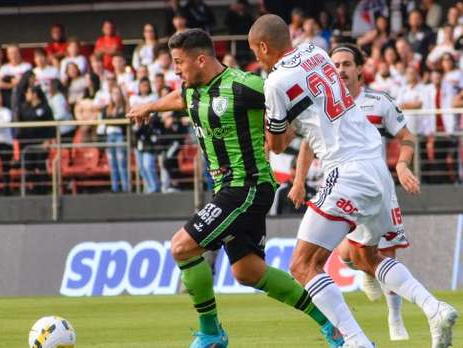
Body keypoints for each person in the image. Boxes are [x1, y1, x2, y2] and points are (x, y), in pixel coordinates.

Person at [248, 14, 457, 348]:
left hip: (345, 169)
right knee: (364, 258)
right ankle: (435, 308)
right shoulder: (316, 52)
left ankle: (357, 342)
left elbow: (276, 144)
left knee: (303, 265)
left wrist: (266, 126)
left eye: (256, 53)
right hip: (376, 167)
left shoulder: (274, 83)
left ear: (263, 46)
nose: (257, 60)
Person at [127, 28, 342, 348]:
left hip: (248, 186)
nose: (175, 69)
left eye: (179, 62)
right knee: (249, 272)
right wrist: (150, 106)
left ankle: (211, 332)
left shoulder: (245, 86)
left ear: (201, 59)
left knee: (182, 247)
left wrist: (280, 139)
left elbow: (289, 103)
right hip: (227, 189)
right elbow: (179, 97)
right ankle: (332, 325)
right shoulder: (192, 88)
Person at [327, 43, 417, 341]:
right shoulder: (326, 104)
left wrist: (402, 166)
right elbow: (305, 144)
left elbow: (406, 137)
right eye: (336, 64)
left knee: (387, 251)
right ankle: (365, 272)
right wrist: (300, 179)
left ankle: (395, 317)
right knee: (346, 255)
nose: (341, 69)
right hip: (343, 187)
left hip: (378, 189)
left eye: (346, 64)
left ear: (359, 69)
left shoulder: (379, 102)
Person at [16, 86, 55, 195]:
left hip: (41, 142)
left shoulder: (45, 108)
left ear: (35, 94)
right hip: (28, 143)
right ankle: (32, 188)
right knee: (29, 166)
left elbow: (51, 125)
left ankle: (44, 189)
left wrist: (48, 140)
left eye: (28, 92)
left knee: (40, 165)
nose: (26, 95)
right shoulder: (24, 108)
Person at [96, 85, 129, 193]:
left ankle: (125, 187)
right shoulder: (107, 108)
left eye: (117, 93)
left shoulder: (124, 108)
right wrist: (114, 118)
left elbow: (122, 120)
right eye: (114, 93)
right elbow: (105, 119)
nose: (116, 96)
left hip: (119, 136)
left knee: (121, 162)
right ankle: (115, 187)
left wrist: (113, 118)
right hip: (109, 136)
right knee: (112, 163)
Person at [131, 77, 160, 193]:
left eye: (146, 85)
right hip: (138, 137)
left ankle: (155, 187)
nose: (144, 88)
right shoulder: (134, 98)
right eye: (142, 85)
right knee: (142, 168)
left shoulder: (154, 98)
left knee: (149, 165)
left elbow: (154, 116)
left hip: (149, 136)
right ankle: (149, 188)